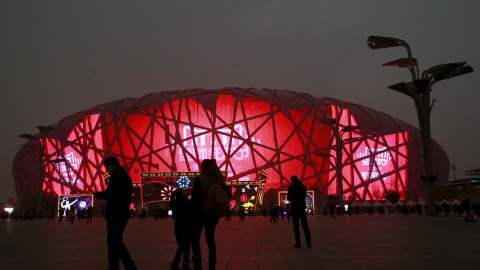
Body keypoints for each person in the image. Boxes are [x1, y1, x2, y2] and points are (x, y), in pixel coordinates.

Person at [95, 156, 137, 270]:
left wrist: (98, 195)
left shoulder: (117, 176)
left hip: (116, 214)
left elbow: (111, 194)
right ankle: (115, 266)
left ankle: (129, 266)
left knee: (114, 241)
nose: (107, 170)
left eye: (107, 167)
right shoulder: (124, 176)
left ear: (112, 165)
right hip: (121, 213)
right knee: (113, 241)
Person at [190, 159, 232, 270]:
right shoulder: (218, 180)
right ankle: (212, 266)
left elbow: (195, 197)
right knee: (210, 240)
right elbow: (229, 192)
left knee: (195, 239)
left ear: (204, 167)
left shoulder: (200, 178)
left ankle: (197, 265)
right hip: (212, 213)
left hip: (199, 214)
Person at [169, 188, 192, 270]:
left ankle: (177, 263)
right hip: (185, 226)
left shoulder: (175, 203)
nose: (186, 193)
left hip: (178, 227)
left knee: (182, 246)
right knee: (185, 246)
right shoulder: (184, 203)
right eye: (184, 192)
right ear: (181, 194)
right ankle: (182, 263)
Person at [287, 175, 311, 248]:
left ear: (292, 180)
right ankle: (308, 242)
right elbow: (304, 195)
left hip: (295, 208)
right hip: (302, 207)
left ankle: (298, 242)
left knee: (296, 226)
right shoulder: (303, 187)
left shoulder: (291, 188)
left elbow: (289, 198)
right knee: (305, 225)